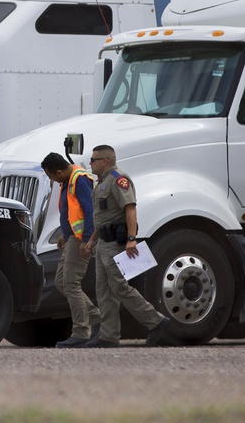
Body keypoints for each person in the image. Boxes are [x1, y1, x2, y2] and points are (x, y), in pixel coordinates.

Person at [81, 144, 171, 347]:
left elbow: (130, 209)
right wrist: (93, 240)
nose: (90, 163)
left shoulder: (118, 179)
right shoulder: (102, 182)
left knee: (119, 287)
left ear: (105, 161)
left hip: (116, 243)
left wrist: (132, 239)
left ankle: (156, 322)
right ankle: (108, 336)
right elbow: (103, 217)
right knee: (103, 290)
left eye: (93, 160)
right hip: (103, 243)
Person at [40, 152, 101, 348]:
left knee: (71, 284)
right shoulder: (68, 180)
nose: (52, 180)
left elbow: (89, 211)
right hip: (71, 239)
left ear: (58, 172)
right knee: (61, 281)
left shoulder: (79, 179)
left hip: (80, 240)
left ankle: (81, 332)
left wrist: (86, 240)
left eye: (51, 176)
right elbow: (71, 211)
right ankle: (96, 317)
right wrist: (63, 234)